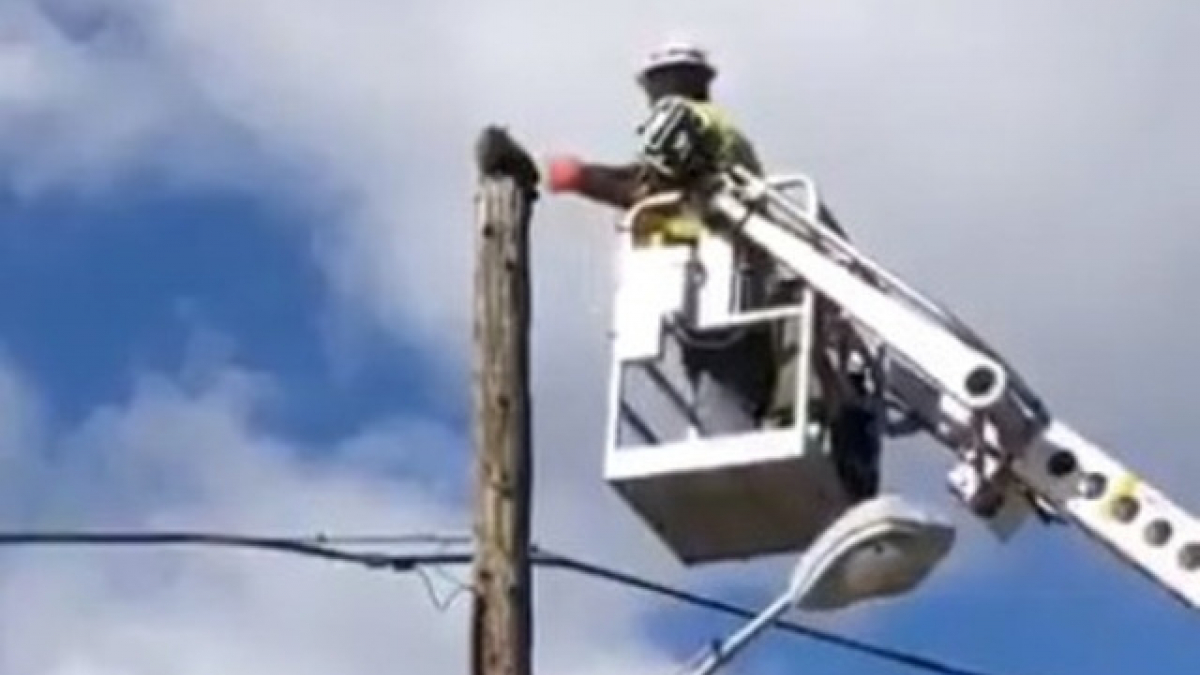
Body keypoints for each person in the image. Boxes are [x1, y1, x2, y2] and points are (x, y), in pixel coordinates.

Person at [545, 39, 880, 499]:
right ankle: (803, 442)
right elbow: (647, 177)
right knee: (744, 385)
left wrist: (578, 178)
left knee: (727, 396)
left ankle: (773, 451)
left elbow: (645, 184)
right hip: (724, 285)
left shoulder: (687, 123)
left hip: (715, 283)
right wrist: (586, 176)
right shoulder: (720, 133)